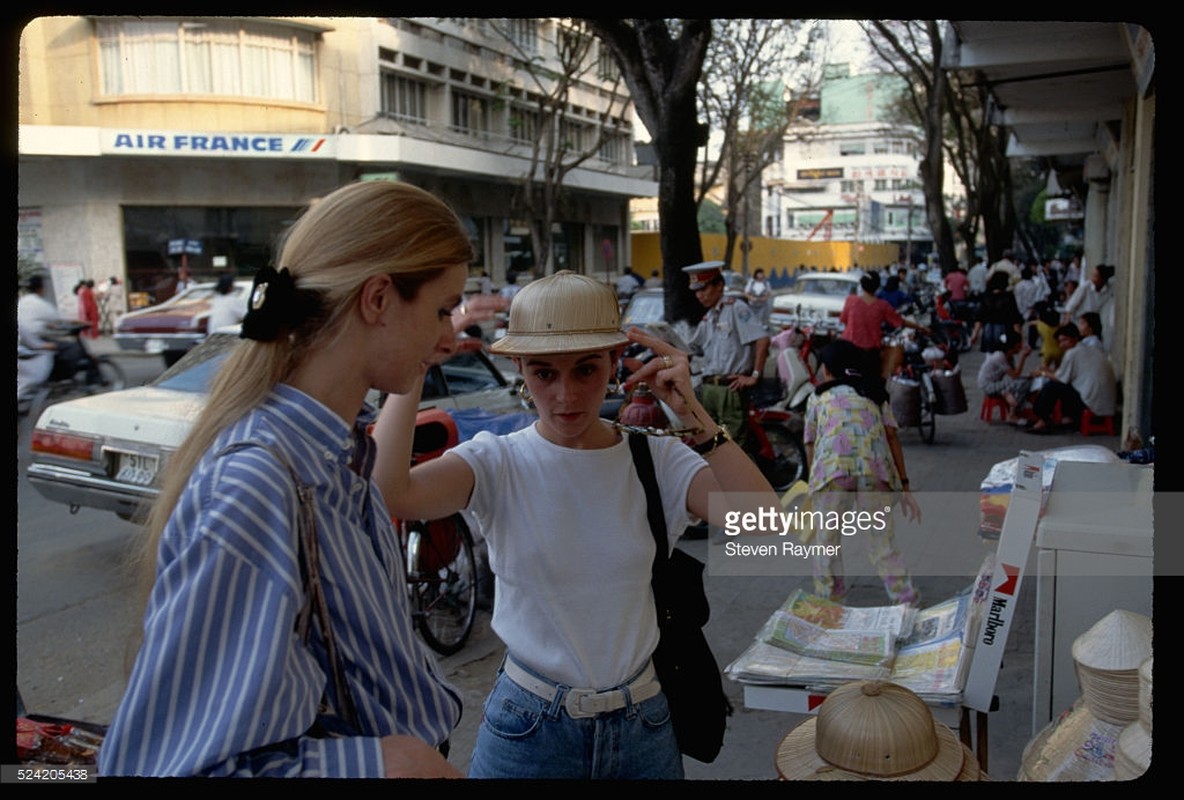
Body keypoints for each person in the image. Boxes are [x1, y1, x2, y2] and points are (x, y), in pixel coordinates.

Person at [100, 180, 474, 778]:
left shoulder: (341, 461)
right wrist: (389, 764)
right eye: (441, 309)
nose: (450, 335)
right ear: (378, 298)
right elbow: (175, 768)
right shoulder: (257, 486)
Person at [372, 270, 777, 779]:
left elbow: (763, 525)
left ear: (613, 362)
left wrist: (692, 414)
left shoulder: (656, 459)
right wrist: (416, 365)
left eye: (585, 370)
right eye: (544, 373)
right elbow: (390, 492)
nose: (565, 396)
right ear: (519, 367)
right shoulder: (496, 462)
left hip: (643, 725)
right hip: (529, 727)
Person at [803, 338, 920, 606]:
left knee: (827, 543)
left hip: (832, 474)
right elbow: (892, 438)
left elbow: (810, 444)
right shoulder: (874, 394)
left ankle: (830, 602)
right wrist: (904, 485)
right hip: (875, 473)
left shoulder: (818, 398)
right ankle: (906, 602)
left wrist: (813, 485)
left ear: (828, 370)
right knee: (882, 544)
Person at [683, 260, 770, 449]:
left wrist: (754, 376)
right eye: (696, 291)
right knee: (710, 446)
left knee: (733, 448)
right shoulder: (709, 317)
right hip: (709, 388)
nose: (699, 295)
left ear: (719, 285)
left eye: (703, 288)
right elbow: (692, 348)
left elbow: (762, 339)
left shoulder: (736, 308)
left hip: (729, 389)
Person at [1026, 323, 1118, 434]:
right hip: (1104, 402)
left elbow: (1061, 379)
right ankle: (1064, 419)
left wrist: (1043, 373)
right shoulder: (1088, 349)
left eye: (1065, 340)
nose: (1062, 345)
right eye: (1060, 342)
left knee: (1052, 387)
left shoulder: (1072, 353)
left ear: (1074, 338)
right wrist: (1047, 371)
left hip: (1091, 403)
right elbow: (1065, 374)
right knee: (1060, 386)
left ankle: (1043, 419)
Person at [839, 271, 927, 384]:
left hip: (848, 349)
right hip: (870, 353)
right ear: (877, 287)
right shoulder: (882, 306)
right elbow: (901, 322)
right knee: (872, 384)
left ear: (861, 285)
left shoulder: (851, 300)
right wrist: (922, 328)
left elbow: (844, 320)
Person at [18, 273, 63, 406]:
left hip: (27, 343)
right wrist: (42, 345)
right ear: (40, 289)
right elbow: (56, 318)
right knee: (58, 348)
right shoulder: (39, 303)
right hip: (31, 347)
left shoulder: (23, 302)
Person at [976, 335, 1033, 422]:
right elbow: (1015, 375)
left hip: (996, 382)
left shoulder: (1009, 356)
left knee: (1025, 381)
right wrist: (1023, 358)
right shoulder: (1000, 356)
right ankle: (1013, 413)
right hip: (988, 385)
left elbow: (1014, 374)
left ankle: (1012, 403)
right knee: (1022, 384)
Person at [970, 270, 1024, 353]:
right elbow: (1014, 317)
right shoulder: (1008, 297)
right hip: (1005, 330)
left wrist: (975, 334)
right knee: (1005, 355)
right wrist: (1019, 336)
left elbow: (980, 317)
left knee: (991, 356)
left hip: (989, 330)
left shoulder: (986, 296)